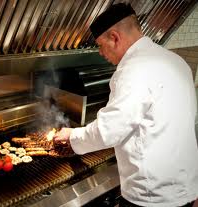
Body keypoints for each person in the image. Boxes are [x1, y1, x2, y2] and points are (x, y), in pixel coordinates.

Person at [53, 3, 198, 207]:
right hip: (184, 188)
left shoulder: (133, 70)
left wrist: (72, 137)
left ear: (114, 37)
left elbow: (109, 130)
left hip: (151, 196)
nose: (101, 53)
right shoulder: (176, 61)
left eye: (101, 45)